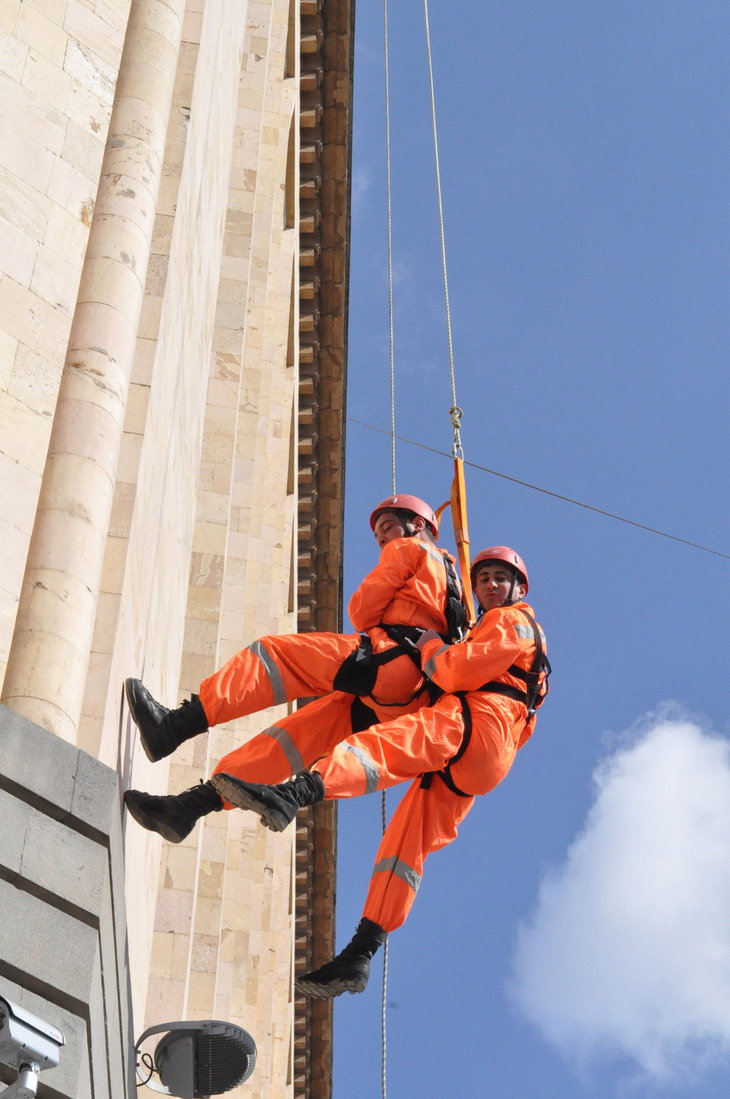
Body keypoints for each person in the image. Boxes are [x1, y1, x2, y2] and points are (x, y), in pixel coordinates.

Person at [211, 546, 550, 998]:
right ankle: (361, 951)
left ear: (519, 588)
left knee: (387, 746)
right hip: (489, 757)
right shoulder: (531, 651)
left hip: (479, 719)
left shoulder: (513, 621)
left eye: (499, 578)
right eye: (483, 577)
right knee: (407, 843)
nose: (489, 584)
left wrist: (430, 646)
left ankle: (296, 793)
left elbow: (455, 671)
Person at [123, 494, 467, 842]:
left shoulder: (410, 550)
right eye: (378, 534)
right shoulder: (456, 586)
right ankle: (190, 807)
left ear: (418, 524)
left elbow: (361, 611)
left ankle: (174, 725)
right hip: (409, 698)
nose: (381, 539)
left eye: (387, 527)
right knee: (292, 740)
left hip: (386, 660)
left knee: (277, 657)